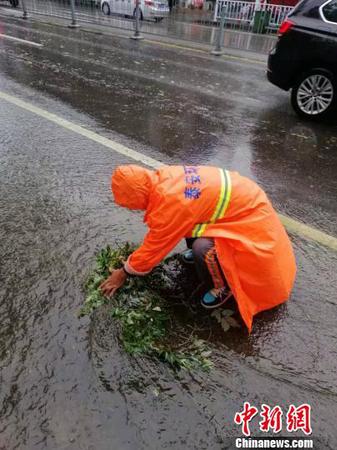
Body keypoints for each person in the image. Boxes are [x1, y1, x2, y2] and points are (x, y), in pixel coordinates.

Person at [100, 164, 296, 332]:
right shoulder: (164, 178)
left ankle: (221, 287)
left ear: (137, 196)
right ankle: (205, 255)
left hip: (248, 224)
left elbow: (155, 246)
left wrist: (124, 272)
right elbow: (191, 215)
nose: (131, 208)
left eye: (129, 204)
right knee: (190, 228)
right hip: (241, 205)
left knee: (203, 248)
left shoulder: (170, 203)